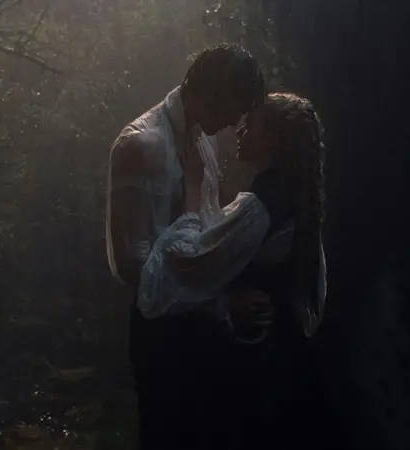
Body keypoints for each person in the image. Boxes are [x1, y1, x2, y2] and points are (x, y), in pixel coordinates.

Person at [105, 44, 265, 450]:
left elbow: (204, 231)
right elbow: (134, 267)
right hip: (163, 336)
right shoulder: (141, 145)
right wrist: (221, 304)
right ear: (211, 92)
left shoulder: (203, 138)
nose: (235, 121)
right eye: (234, 107)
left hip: (203, 329)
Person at [226, 91, 328, 448]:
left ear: (272, 138)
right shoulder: (294, 196)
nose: (240, 130)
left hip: (262, 367)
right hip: (287, 358)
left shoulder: (261, 204)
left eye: (250, 124)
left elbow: (199, 260)